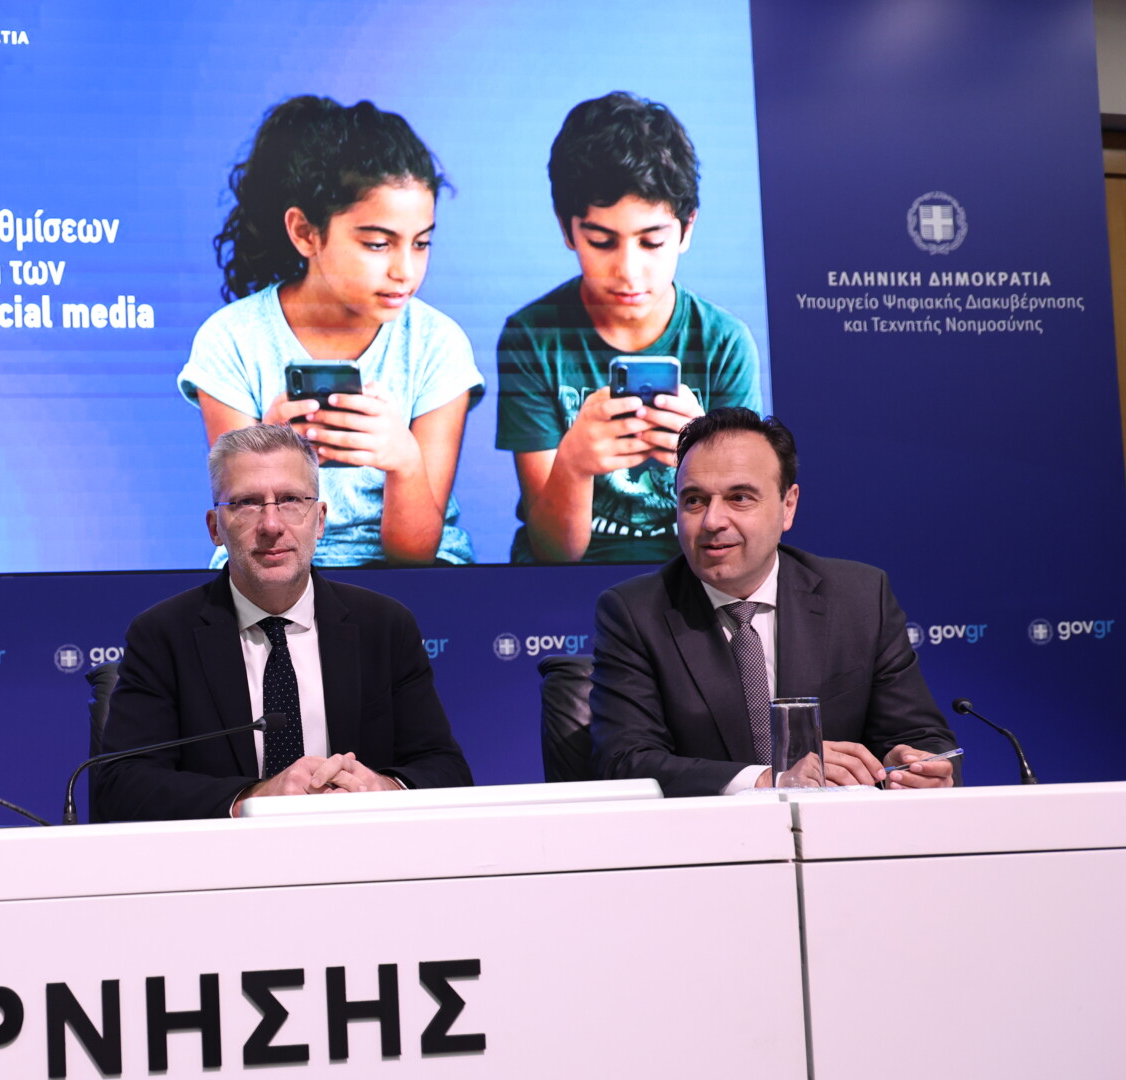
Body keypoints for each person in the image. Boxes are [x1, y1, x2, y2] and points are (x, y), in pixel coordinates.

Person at [93, 424, 473, 822]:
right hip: (224, 857)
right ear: (215, 527)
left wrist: (382, 788)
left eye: (291, 500)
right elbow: (121, 787)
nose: (271, 525)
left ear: (320, 520)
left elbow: (447, 771)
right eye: (247, 503)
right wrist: (254, 798)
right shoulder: (163, 635)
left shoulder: (384, 626)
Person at [178, 95, 484, 567]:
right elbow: (246, 535)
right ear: (305, 233)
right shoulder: (232, 340)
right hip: (272, 568)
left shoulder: (436, 345)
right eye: (378, 243)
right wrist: (266, 453)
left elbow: (416, 557)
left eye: (422, 243)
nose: (405, 271)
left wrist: (404, 461)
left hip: (409, 579)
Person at [589, 409, 957, 797]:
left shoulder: (860, 598)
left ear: (788, 505)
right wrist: (769, 780)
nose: (712, 521)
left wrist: (919, 767)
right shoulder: (634, 612)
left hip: (841, 830)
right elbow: (625, 762)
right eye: (694, 500)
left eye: (739, 498)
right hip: (707, 832)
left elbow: (923, 737)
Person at [497, 91, 762, 565]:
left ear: (686, 229)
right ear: (567, 230)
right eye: (602, 242)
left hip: (692, 572)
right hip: (567, 579)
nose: (629, 271)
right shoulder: (532, 339)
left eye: (652, 242)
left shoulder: (724, 344)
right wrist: (573, 465)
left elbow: (742, 539)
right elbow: (553, 553)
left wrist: (705, 460)